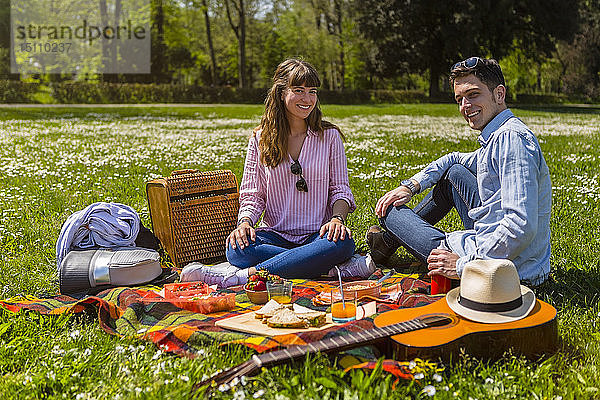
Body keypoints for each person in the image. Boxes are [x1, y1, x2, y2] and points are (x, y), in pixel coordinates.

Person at [367, 57, 552, 286]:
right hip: (494, 246)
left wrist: (461, 265)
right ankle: (387, 243)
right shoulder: (499, 135)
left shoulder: (510, 139)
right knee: (454, 173)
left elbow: (519, 225)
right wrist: (411, 186)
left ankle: (388, 241)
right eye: (459, 99)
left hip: (507, 272)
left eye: (473, 95)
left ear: (499, 94)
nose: (465, 106)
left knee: (390, 213)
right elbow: (453, 159)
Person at [189, 59, 373, 288]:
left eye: (312, 91)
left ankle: (245, 276)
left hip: (318, 235)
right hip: (275, 235)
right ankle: (326, 267)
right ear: (281, 92)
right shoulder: (260, 139)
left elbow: (340, 190)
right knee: (236, 249)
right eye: (298, 91)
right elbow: (253, 194)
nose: (307, 99)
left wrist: (337, 219)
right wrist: (245, 223)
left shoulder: (330, 136)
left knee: (342, 244)